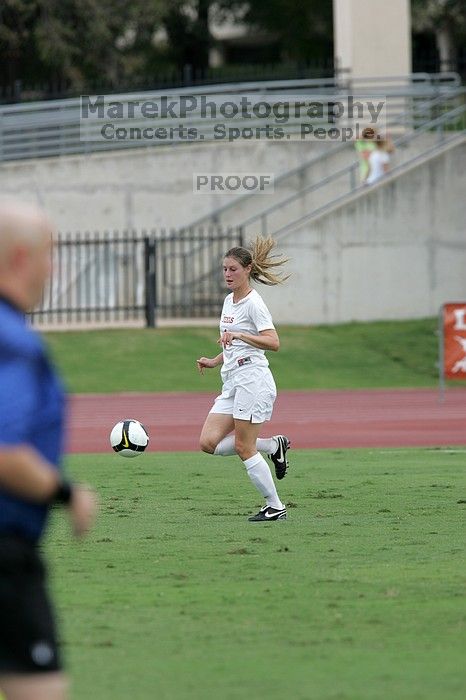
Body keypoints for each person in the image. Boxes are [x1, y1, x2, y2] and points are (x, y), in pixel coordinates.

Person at [0, 200, 97, 700]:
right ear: (20, 258)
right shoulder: (12, 340)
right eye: (49, 255)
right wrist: (66, 492)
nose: (52, 269)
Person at [197, 236, 290, 522]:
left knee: (242, 446)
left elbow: (273, 342)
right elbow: (233, 344)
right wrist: (214, 361)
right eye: (224, 269)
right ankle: (274, 446)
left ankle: (275, 506)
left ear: (248, 269)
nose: (227, 274)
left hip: (253, 380)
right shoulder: (229, 301)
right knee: (208, 442)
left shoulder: (253, 303)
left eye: (233, 269)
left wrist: (240, 335)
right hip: (233, 381)